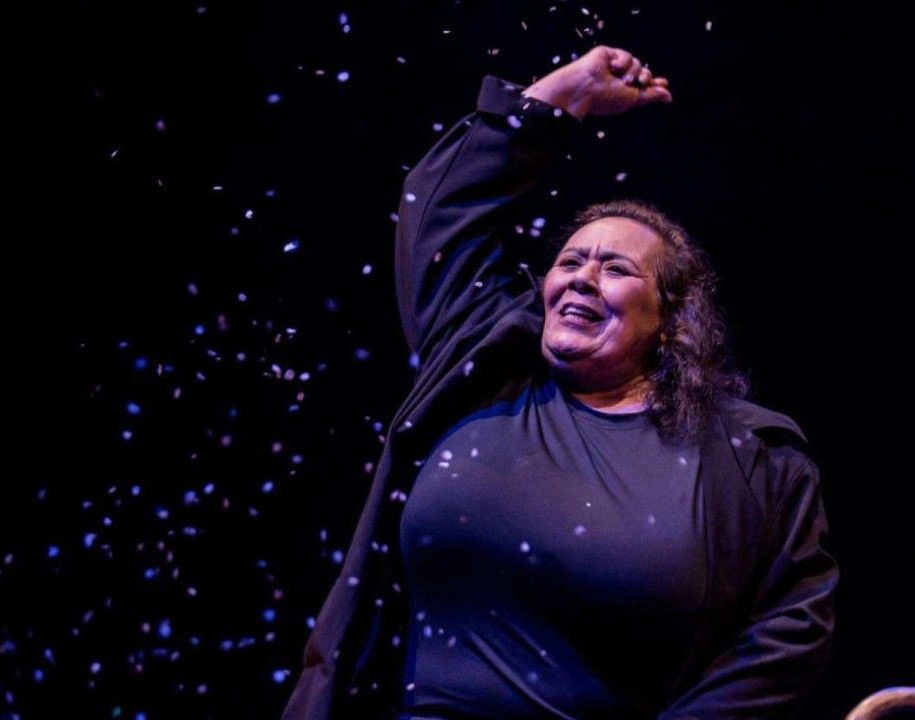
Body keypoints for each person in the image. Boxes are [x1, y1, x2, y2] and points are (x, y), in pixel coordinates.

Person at [282, 46, 838, 719]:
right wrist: (559, 98)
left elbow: (790, 631)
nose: (582, 277)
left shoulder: (748, 455)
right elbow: (438, 213)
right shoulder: (482, 362)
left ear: (669, 321)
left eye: (616, 269)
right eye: (571, 261)